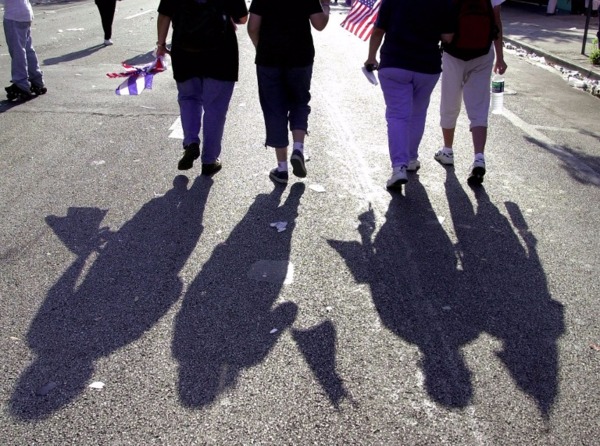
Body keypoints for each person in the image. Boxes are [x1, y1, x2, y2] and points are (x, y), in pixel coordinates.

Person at [364, 0, 455, 190]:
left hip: (394, 63)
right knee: (418, 113)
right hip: (427, 67)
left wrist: (371, 57)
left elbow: (378, 31)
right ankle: (411, 157)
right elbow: (448, 37)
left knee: (397, 116)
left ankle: (399, 167)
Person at [156, 0, 248, 175]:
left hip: (184, 50)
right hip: (220, 52)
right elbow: (242, 18)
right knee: (215, 108)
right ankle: (209, 160)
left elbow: (164, 14)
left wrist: (161, 44)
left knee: (188, 98)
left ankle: (191, 142)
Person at [247, 0, 330, 185]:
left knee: (274, 109)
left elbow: (252, 27)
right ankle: (298, 148)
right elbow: (319, 24)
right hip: (300, 57)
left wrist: (260, 48)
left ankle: (282, 168)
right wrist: (325, 5)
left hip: (269, 58)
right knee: (299, 102)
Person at [435, 0, 508, 186]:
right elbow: (496, 21)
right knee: (479, 107)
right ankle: (479, 157)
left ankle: (448, 150)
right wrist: (500, 57)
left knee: (449, 102)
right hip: (482, 53)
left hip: (454, 53)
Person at [2, 0, 47, 100]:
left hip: (14, 16)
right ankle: (36, 80)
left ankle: (21, 83)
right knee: (27, 49)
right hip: (25, 13)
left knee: (17, 51)